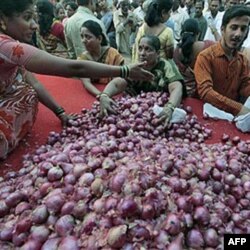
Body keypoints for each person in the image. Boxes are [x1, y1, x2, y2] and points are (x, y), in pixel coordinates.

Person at [0, 0, 153, 158]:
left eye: (34, 18)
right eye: (27, 18)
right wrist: (125, 70)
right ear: (2, 20)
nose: (35, 25)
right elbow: (74, 68)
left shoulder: (11, 46)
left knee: (27, 92)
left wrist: (60, 112)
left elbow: (35, 83)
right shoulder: (6, 46)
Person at [99, 35, 185, 128]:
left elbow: (176, 87)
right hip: (137, 113)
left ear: (158, 53)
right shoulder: (136, 67)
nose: (142, 53)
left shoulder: (165, 66)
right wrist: (104, 95)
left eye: (148, 49)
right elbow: (117, 83)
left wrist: (170, 107)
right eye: (140, 48)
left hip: (160, 111)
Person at [194, 5, 250, 117]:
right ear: (223, 29)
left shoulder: (243, 61)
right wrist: (238, 108)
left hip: (230, 119)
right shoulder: (206, 57)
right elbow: (206, 92)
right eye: (234, 27)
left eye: (243, 29)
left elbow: (246, 86)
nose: (238, 34)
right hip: (205, 116)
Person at [78, 20, 124, 97]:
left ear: (99, 38)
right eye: (82, 36)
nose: (83, 41)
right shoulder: (82, 59)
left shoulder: (113, 54)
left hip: (114, 93)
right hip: (94, 95)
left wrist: (106, 94)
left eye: (88, 37)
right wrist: (101, 95)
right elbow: (86, 83)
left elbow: (118, 80)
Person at [173, 18, 214, 97]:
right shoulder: (208, 46)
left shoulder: (176, 51)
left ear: (182, 33)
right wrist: (215, 32)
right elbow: (223, 48)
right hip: (203, 93)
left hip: (182, 93)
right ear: (198, 33)